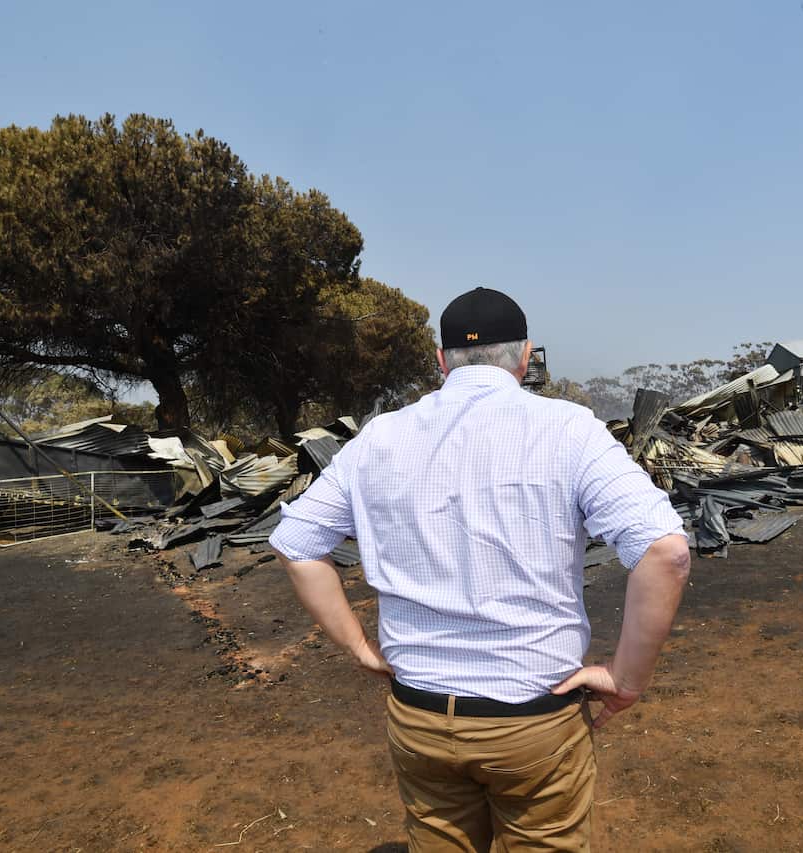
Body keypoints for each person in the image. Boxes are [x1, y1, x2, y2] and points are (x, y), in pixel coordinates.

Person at [270, 286, 690, 851]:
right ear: (525, 355)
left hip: (419, 716)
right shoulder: (570, 430)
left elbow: (297, 541)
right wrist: (625, 679)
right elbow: (665, 552)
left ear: (440, 361)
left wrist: (359, 648)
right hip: (534, 720)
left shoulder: (381, 437)